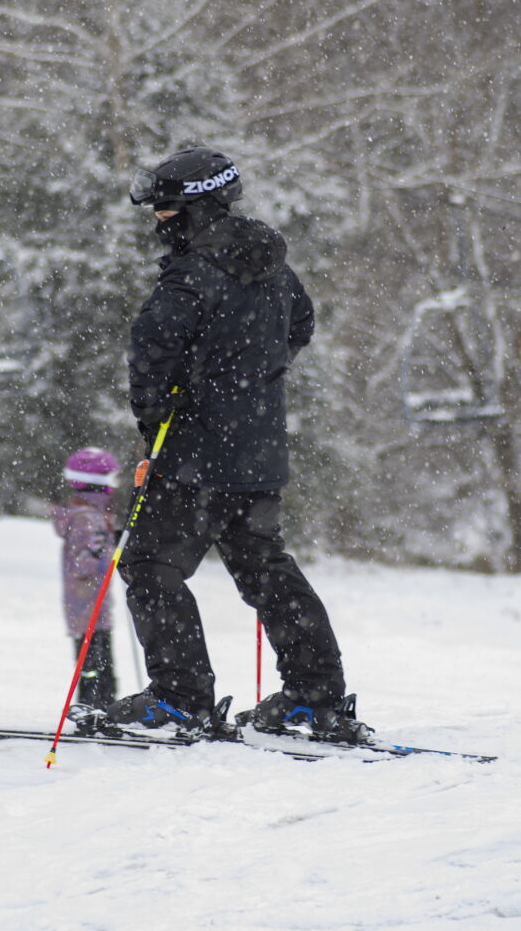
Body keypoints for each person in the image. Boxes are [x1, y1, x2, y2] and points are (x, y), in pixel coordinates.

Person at [105, 145, 372, 744]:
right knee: (265, 569)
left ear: (197, 207)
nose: (159, 220)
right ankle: (315, 697)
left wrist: (163, 421)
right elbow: (299, 327)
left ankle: (180, 700)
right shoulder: (274, 266)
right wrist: (246, 383)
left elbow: (149, 358)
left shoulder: (189, 276)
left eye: (167, 208)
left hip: (195, 453)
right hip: (257, 452)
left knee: (149, 565)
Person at [52, 447, 120, 708]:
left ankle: (103, 707)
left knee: (101, 660)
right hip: (87, 607)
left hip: (94, 606)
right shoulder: (87, 519)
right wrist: (109, 553)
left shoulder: (92, 515)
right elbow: (83, 565)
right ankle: (93, 708)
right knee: (93, 664)